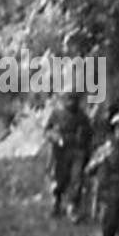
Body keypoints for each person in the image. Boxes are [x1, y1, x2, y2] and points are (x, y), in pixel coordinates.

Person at [44, 91, 93, 220]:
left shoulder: (82, 116)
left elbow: (89, 135)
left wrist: (85, 145)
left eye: (74, 100)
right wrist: (56, 137)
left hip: (77, 151)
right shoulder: (57, 114)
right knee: (60, 179)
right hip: (60, 152)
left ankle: (72, 206)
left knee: (76, 178)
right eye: (69, 99)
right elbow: (47, 131)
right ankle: (57, 202)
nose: (71, 102)